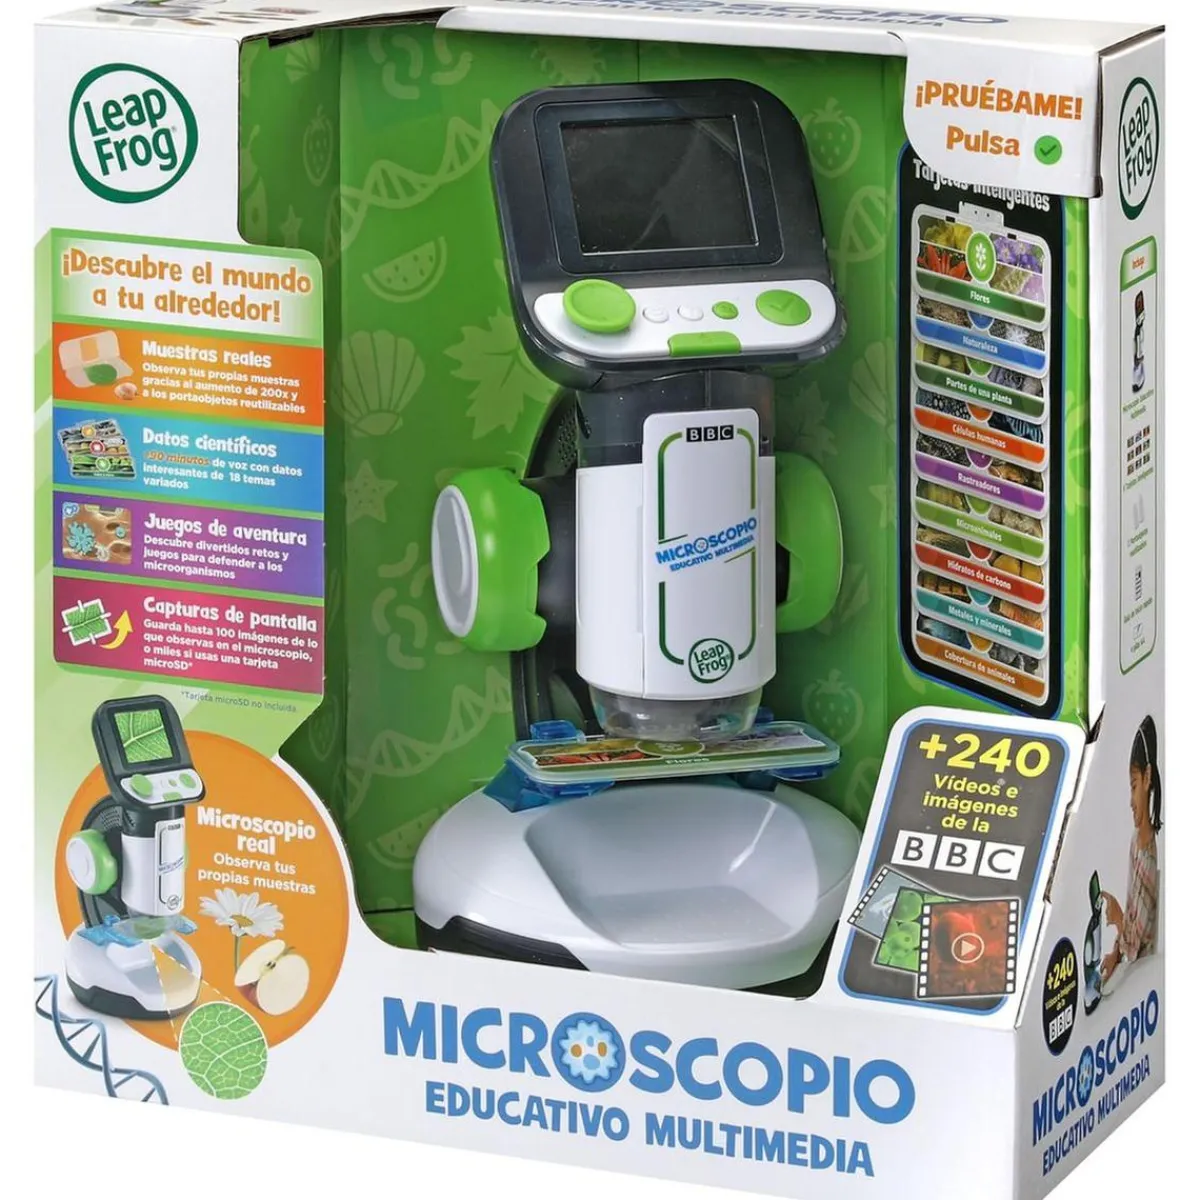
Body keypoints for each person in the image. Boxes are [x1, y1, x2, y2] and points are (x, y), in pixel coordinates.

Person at [1101, 716, 1163, 983]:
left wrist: (1117, 916)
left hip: (1141, 978)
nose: (1130, 801)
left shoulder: (1148, 855)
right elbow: (1131, 929)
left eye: (1134, 786)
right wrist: (1115, 954)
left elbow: (1137, 944)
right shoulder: (1136, 840)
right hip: (1129, 971)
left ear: (1148, 777)